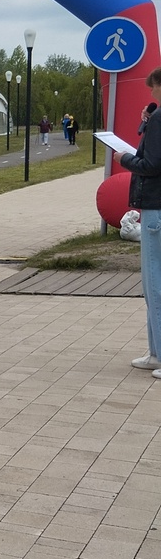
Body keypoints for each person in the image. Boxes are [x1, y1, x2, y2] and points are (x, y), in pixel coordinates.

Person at [118, 72, 161, 378]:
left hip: (155, 208)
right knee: (153, 283)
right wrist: (146, 122)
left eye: (153, 87)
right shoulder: (156, 118)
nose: (152, 92)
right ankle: (155, 351)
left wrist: (123, 159)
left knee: (153, 284)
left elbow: (151, 164)